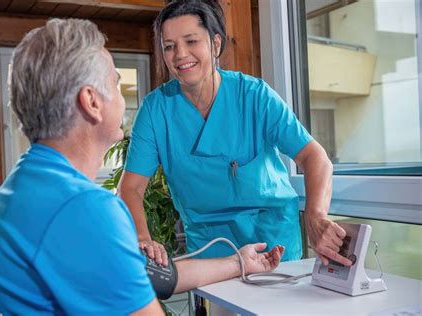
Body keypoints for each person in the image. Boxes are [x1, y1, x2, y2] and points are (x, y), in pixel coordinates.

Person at [0, 18, 285, 315]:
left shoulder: (27, 182)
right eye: (116, 83)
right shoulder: (81, 208)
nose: (123, 99)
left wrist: (238, 262)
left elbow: (147, 275)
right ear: (92, 102)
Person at [119, 0, 353, 267]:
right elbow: (130, 188)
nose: (180, 54)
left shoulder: (255, 96)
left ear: (216, 44)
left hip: (274, 246)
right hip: (210, 254)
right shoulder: (155, 110)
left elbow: (315, 157)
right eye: (169, 46)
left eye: (191, 41)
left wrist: (315, 216)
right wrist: (142, 237)